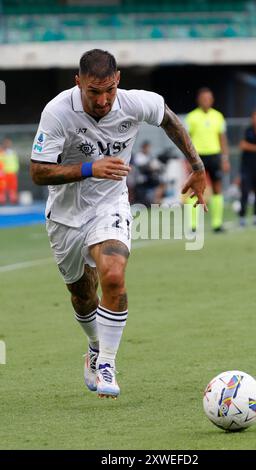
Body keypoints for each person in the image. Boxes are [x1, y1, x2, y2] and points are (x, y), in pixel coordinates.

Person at [30, 49, 207, 399]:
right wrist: (88, 168)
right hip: (65, 215)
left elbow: (170, 119)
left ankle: (108, 363)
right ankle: (95, 346)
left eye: (109, 89)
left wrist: (198, 167)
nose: (103, 99)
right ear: (77, 82)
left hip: (110, 203)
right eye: (94, 91)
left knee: (113, 273)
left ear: (119, 80)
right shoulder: (57, 112)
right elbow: (37, 171)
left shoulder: (135, 103)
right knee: (82, 295)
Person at [186, 87, 230, 232]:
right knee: (195, 189)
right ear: (199, 100)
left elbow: (222, 138)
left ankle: (217, 223)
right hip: (198, 158)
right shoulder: (191, 117)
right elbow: (186, 141)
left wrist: (225, 158)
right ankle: (193, 224)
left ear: (212, 100)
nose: (206, 101)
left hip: (215, 156)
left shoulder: (218, 116)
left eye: (208, 98)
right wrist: (188, 159)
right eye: (203, 98)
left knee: (217, 188)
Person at [133, 141, 166, 206]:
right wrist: (150, 167)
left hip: (150, 178)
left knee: (162, 183)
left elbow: (156, 166)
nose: (148, 149)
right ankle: (154, 202)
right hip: (142, 178)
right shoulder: (139, 156)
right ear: (143, 148)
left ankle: (157, 201)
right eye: (147, 147)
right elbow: (141, 167)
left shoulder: (150, 156)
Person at [2, 138, 19, 204]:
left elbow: (15, 162)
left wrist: (16, 169)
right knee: (3, 188)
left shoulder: (13, 152)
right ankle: (2, 201)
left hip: (12, 173)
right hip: (4, 173)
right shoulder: (2, 152)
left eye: (9, 143)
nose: (8, 144)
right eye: (6, 143)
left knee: (13, 187)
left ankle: (13, 200)